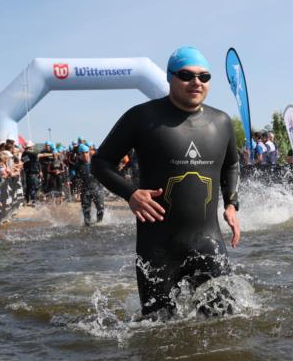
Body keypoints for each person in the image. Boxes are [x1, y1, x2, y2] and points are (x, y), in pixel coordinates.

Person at [92, 46, 241, 319]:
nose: (196, 82)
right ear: (170, 78)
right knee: (157, 331)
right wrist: (131, 194)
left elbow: (231, 164)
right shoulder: (142, 117)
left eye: (204, 76)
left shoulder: (221, 121)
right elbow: (100, 163)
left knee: (224, 325)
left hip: (208, 242)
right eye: (186, 75)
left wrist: (231, 203)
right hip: (158, 249)